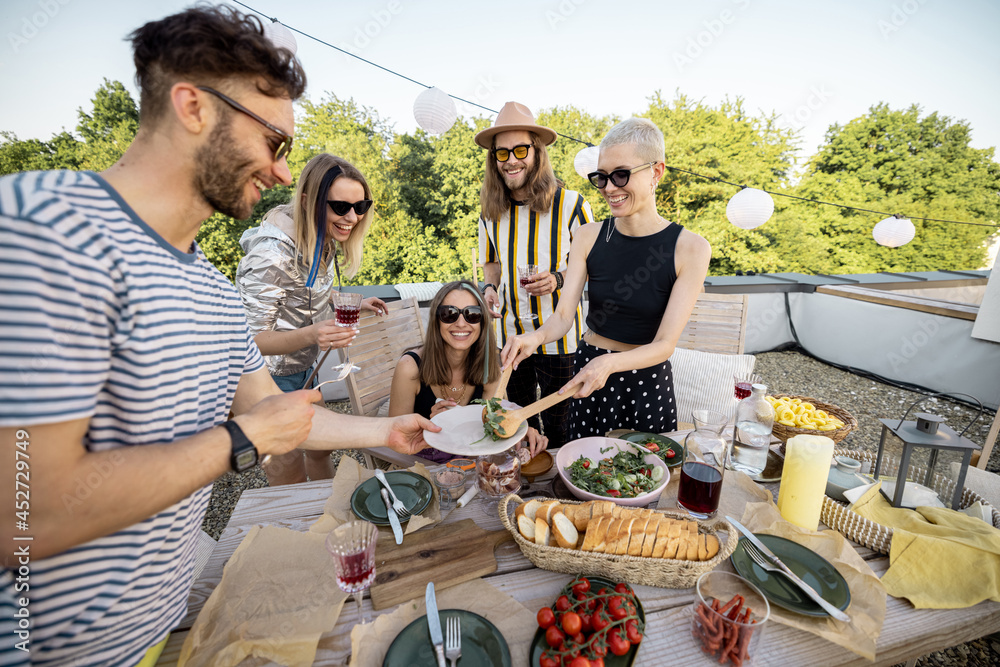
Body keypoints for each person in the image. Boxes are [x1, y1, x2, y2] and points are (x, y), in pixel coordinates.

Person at [0, 8, 436, 666]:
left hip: (169, 627)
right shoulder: (46, 227)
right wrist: (241, 440)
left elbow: (277, 415)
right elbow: (23, 517)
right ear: (193, 106)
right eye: (275, 143)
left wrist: (389, 431)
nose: (285, 175)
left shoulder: (207, 284)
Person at [502, 117, 711, 438]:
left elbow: (665, 345)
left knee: (642, 480)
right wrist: (534, 338)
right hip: (588, 371)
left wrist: (611, 364)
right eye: (601, 178)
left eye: (621, 175)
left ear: (656, 172)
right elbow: (561, 318)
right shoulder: (587, 236)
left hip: (645, 383)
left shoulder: (692, 249)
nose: (609, 188)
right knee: (581, 477)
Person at [237, 153, 387, 485]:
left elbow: (304, 294)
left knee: (319, 451)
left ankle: (325, 520)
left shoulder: (322, 237)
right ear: (308, 201)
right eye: (341, 206)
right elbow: (250, 341)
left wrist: (353, 303)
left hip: (303, 368)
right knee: (286, 466)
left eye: (361, 207)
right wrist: (312, 334)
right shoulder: (271, 254)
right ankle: (301, 531)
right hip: (269, 378)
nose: (352, 217)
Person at [476, 102, 594, 449]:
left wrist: (558, 279)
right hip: (510, 336)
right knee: (517, 422)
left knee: (562, 425)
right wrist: (488, 288)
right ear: (494, 159)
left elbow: (592, 265)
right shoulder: (489, 209)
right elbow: (491, 263)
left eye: (521, 150)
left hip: (561, 338)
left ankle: (560, 492)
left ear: (537, 153)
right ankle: (522, 489)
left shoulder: (571, 203)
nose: (511, 160)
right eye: (502, 153)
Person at [388, 280, 548, 462]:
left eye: (472, 314)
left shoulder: (490, 367)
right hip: (424, 467)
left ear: (482, 322)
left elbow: (495, 420)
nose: (461, 323)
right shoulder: (410, 367)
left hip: (476, 467)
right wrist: (431, 428)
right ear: (436, 320)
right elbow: (395, 440)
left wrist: (521, 430)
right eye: (449, 314)